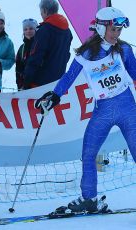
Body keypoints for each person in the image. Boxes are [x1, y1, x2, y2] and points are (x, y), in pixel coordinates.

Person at [35, 7, 136, 212]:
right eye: (113, 30)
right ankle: (89, 198)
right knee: (88, 153)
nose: (117, 34)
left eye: (119, 30)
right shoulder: (87, 53)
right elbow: (69, 76)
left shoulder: (124, 49)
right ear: (100, 28)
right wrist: (55, 96)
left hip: (127, 108)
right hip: (103, 111)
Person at [24, 0, 73, 89]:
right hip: (58, 82)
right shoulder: (67, 31)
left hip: (40, 84)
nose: (41, 15)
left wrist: (26, 81)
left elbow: (35, 57)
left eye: (41, 12)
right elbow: (66, 56)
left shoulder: (44, 30)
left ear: (45, 11)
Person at [16, 18, 38, 90]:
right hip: (25, 87)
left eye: (31, 28)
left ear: (36, 30)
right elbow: (18, 69)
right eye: (25, 29)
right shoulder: (21, 48)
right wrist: (20, 86)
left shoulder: (40, 45)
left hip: (40, 86)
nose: (28, 31)